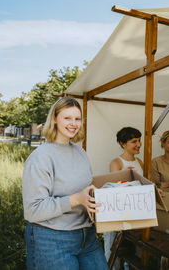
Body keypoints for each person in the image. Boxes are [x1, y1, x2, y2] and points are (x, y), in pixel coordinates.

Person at [22, 96, 108, 270]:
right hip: (52, 239)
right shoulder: (41, 157)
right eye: (67, 118)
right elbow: (33, 210)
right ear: (54, 119)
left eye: (77, 118)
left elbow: (85, 189)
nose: (73, 123)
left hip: (87, 237)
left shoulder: (80, 152)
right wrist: (76, 199)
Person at [104, 127, 143, 270]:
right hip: (117, 214)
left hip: (135, 213)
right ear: (122, 143)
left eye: (139, 141)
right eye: (134, 141)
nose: (138, 144)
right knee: (112, 251)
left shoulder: (139, 161)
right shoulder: (116, 163)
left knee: (135, 251)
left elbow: (145, 184)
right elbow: (114, 189)